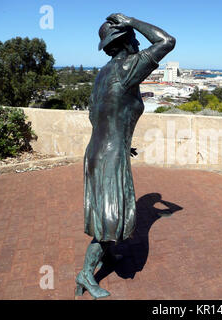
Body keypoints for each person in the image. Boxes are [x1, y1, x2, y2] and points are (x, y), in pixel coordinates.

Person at [75, 13, 175, 299]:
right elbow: (167, 41)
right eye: (132, 36)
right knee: (110, 220)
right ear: (127, 40)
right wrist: (131, 20)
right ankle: (85, 274)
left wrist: (119, 139)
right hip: (110, 154)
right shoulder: (127, 67)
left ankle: (106, 258)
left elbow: (96, 114)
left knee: (107, 213)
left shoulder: (104, 72)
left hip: (98, 149)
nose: (136, 40)